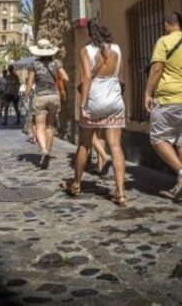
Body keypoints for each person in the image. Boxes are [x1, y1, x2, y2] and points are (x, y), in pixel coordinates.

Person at [62, 18, 127, 205]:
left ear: (90, 34)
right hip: (114, 101)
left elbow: (87, 77)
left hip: (95, 101)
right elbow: (120, 79)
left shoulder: (86, 51)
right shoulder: (117, 49)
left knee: (84, 144)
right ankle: (120, 193)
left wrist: (83, 104)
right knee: (115, 146)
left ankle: (76, 184)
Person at [144, 12, 182, 202]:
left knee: (157, 138)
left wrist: (147, 93)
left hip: (169, 100)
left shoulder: (164, 42)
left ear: (167, 24)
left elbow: (156, 69)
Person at [26, 39, 68, 169]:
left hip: (40, 96)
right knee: (50, 126)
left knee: (39, 126)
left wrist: (27, 94)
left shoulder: (35, 64)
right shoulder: (56, 63)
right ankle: (47, 153)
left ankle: (43, 149)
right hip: (54, 96)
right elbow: (66, 77)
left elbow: (30, 82)